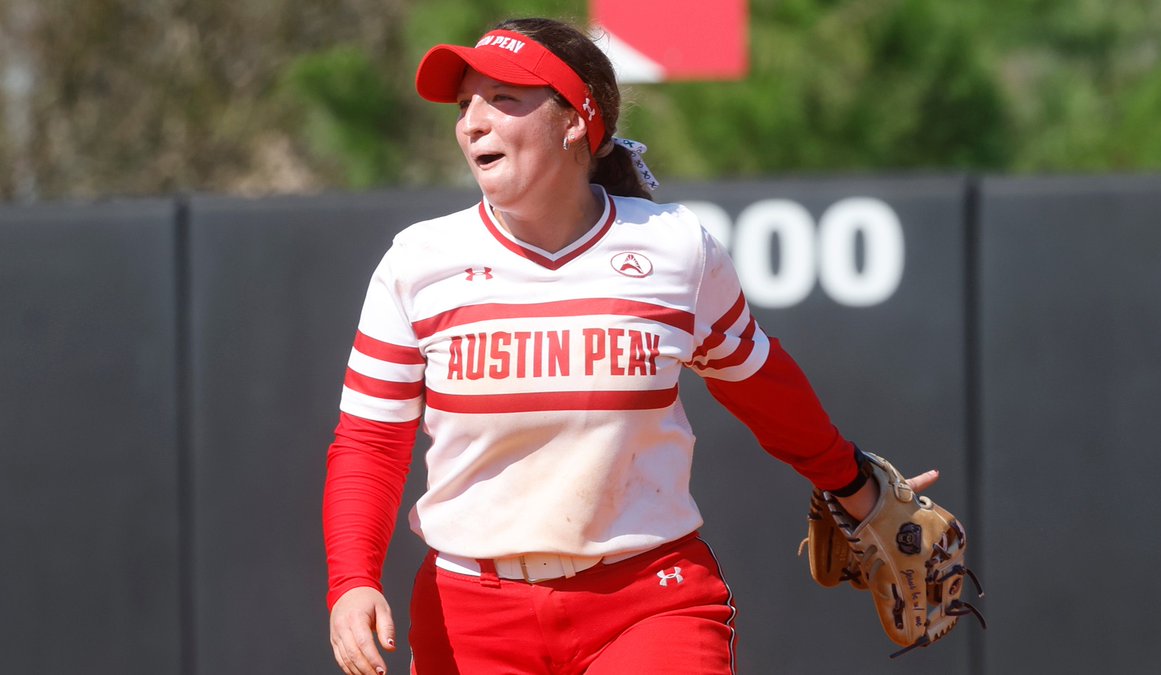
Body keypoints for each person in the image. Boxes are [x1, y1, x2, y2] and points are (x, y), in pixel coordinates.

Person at [323, 17, 938, 675]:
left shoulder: (674, 246)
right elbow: (371, 442)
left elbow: (759, 384)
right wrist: (351, 579)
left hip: (647, 598)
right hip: (471, 613)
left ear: (574, 121)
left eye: (504, 99)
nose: (473, 121)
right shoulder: (420, 261)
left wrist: (851, 482)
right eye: (466, 102)